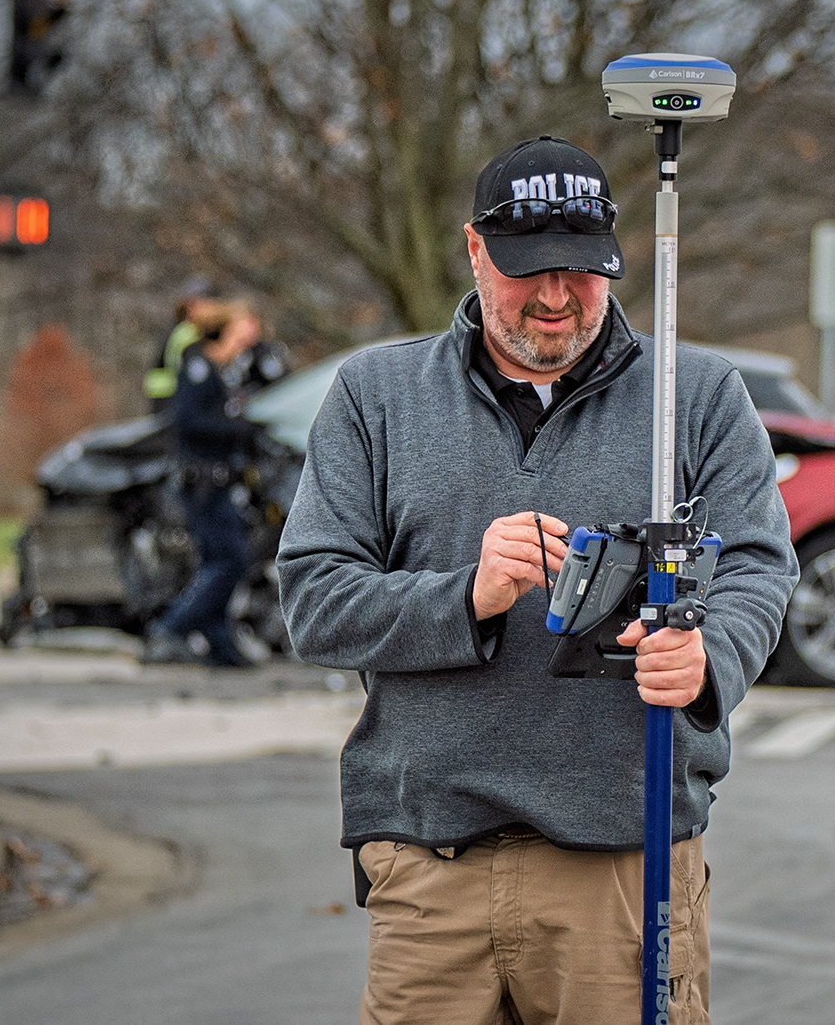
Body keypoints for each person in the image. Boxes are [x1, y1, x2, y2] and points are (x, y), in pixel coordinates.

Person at [275, 134, 796, 1025]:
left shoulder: (698, 396)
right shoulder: (376, 395)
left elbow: (757, 567)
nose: (556, 298)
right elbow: (315, 601)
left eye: (582, 270)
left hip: (626, 863)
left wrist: (709, 658)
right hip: (429, 863)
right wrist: (464, 595)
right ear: (475, 248)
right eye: (528, 269)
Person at [141, 299, 263, 667]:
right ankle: (170, 629)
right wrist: (241, 430)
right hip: (203, 483)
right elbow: (191, 421)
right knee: (230, 561)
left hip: (217, 480)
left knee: (218, 561)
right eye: (236, 335)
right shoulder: (197, 366)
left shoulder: (217, 370)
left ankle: (220, 647)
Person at [144, 276, 223, 412]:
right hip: (170, 400)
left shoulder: (181, 328)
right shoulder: (187, 332)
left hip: (173, 399)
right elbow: (186, 367)